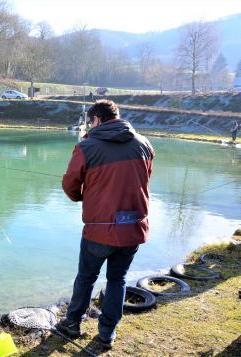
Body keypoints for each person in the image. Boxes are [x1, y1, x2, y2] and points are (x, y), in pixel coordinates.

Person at [58, 100, 155, 349]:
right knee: (117, 280)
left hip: (99, 229)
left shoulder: (87, 147)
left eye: (91, 122)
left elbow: (70, 184)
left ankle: (72, 323)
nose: (90, 126)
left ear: (97, 120)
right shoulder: (144, 144)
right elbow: (145, 178)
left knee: (86, 278)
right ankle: (106, 334)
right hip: (134, 227)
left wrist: (82, 196)